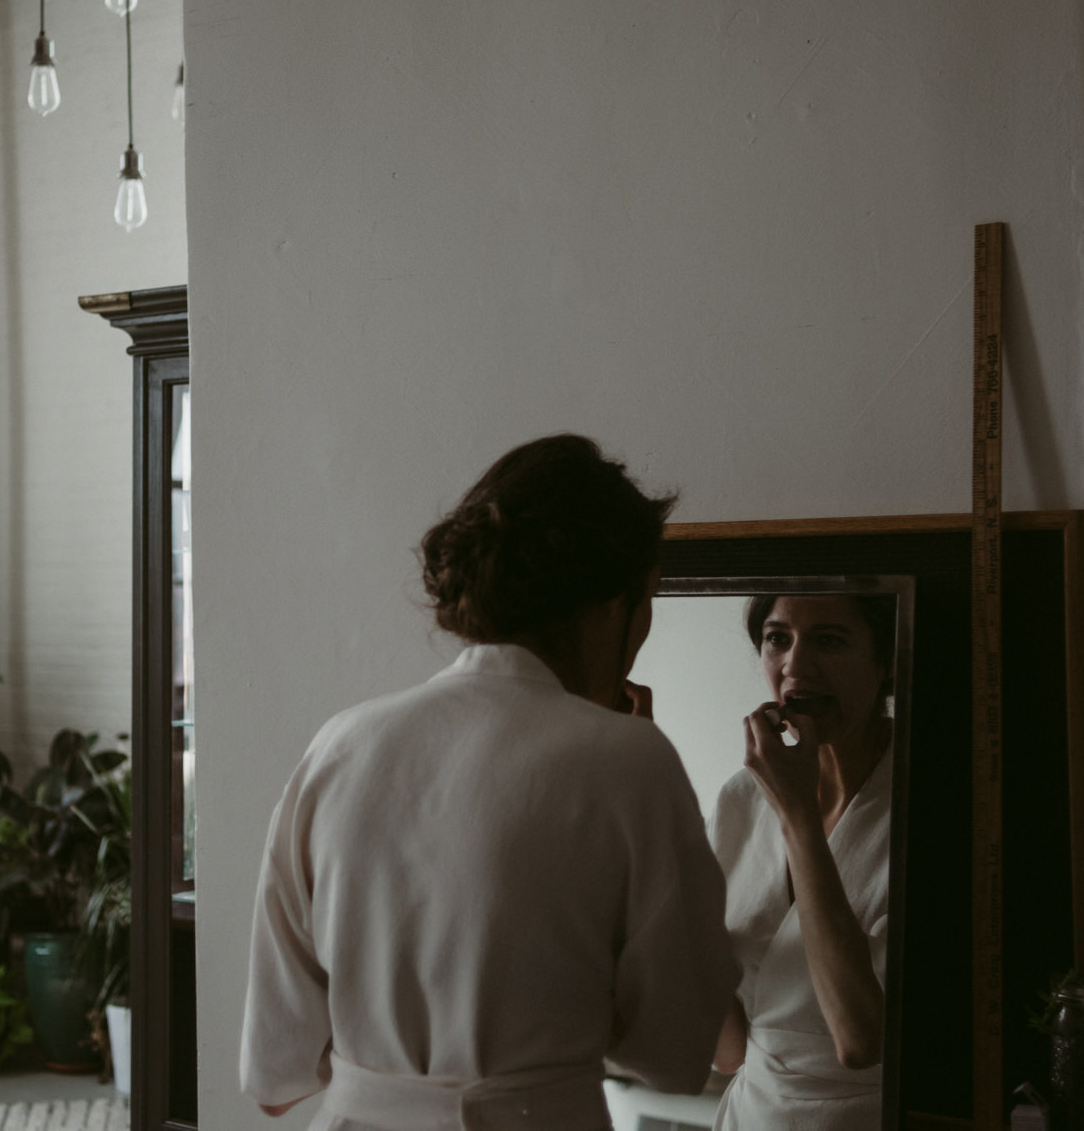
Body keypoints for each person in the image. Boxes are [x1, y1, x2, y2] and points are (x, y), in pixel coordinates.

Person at [241, 434, 739, 1131]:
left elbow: (275, 1075)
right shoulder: (632, 762)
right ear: (608, 604)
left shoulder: (339, 745)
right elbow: (676, 1048)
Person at [710, 592, 896, 1131]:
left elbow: (860, 1040)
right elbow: (728, 1051)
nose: (795, 665)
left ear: (886, 661)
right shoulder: (741, 799)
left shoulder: (924, 802)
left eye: (830, 641)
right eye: (777, 639)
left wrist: (797, 814)